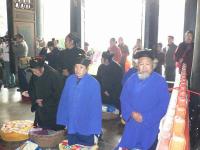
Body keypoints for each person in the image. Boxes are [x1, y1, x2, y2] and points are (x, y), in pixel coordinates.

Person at [116, 50, 169, 150]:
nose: (144, 67)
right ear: (137, 65)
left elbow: (163, 105)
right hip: (132, 123)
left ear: (153, 65)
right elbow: (124, 98)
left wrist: (145, 117)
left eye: (147, 64)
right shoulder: (131, 79)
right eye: (141, 64)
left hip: (150, 125)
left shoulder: (160, 81)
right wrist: (131, 113)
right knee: (127, 145)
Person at [57, 55, 102, 146]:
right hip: (72, 122)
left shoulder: (94, 83)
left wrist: (95, 129)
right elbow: (64, 101)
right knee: (73, 146)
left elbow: (96, 108)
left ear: (87, 68)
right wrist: (65, 120)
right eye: (76, 67)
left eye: (81, 67)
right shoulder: (69, 80)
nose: (78, 70)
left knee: (86, 146)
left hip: (86, 124)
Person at [28, 56, 64, 131]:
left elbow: (59, 94)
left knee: (54, 131)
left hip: (53, 109)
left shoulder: (54, 75)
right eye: (32, 71)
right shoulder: (35, 74)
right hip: (40, 108)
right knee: (43, 128)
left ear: (42, 68)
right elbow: (31, 88)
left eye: (35, 71)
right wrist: (35, 99)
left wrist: (44, 102)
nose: (34, 73)